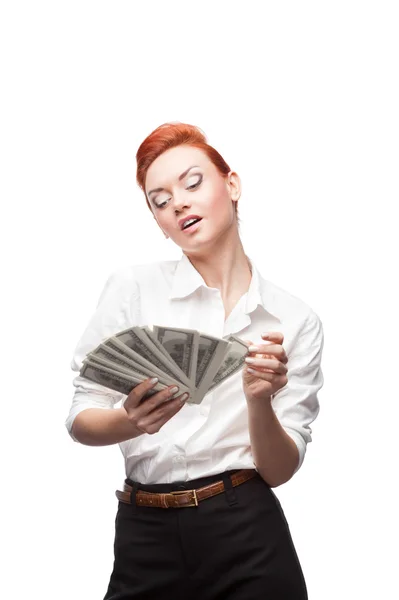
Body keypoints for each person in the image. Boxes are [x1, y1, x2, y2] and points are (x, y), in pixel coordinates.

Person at [65, 122, 324, 600]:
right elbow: (79, 419)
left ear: (232, 185)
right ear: (159, 223)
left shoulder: (295, 319)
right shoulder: (133, 289)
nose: (178, 203)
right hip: (145, 532)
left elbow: (280, 470)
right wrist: (128, 421)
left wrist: (259, 401)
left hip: (247, 526)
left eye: (192, 182)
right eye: (159, 201)